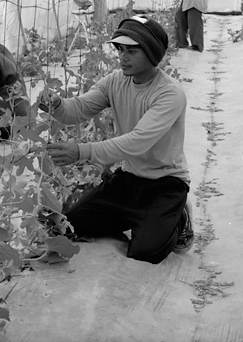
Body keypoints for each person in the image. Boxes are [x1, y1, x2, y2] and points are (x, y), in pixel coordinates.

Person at [38, 15, 193, 264]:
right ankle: (137, 218)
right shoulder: (115, 81)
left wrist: (81, 151)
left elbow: (137, 141)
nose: (122, 56)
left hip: (165, 184)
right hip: (128, 179)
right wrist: (57, 106)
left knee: (146, 253)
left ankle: (178, 217)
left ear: (152, 54)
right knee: (73, 223)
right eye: (120, 49)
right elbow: (78, 109)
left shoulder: (169, 93)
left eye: (132, 51)